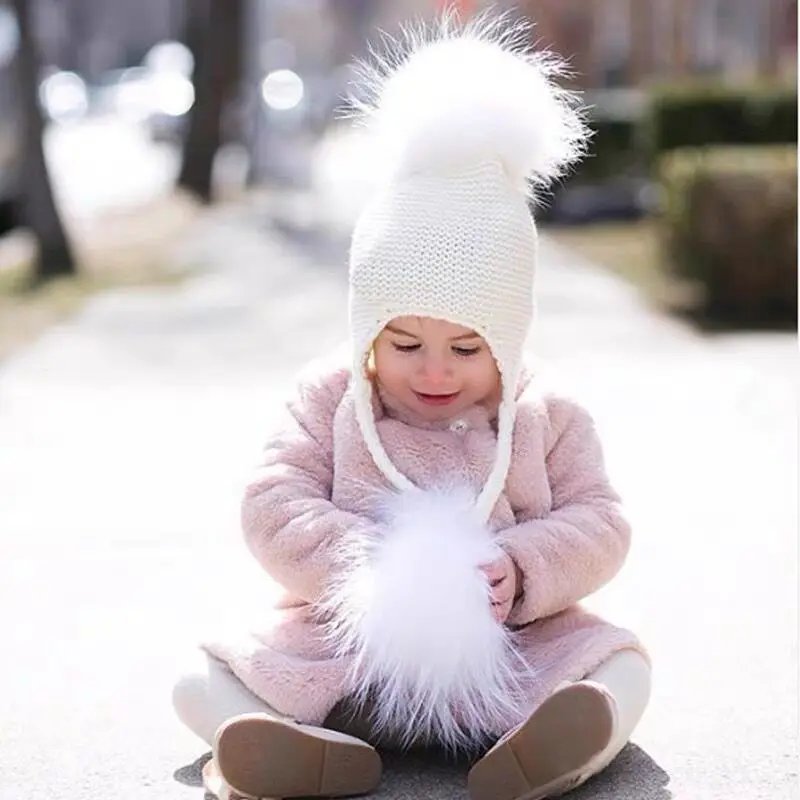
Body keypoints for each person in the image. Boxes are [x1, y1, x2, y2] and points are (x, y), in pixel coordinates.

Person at [172, 12, 651, 800]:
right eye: (403, 344)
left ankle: (557, 745)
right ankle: (300, 750)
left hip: (510, 655)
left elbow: (602, 519)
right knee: (197, 679)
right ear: (366, 327)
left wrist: (524, 569)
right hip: (345, 651)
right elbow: (272, 498)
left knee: (622, 663)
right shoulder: (329, 396)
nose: (434, 371)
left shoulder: (545, 411)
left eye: (467, 350)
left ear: (508, 334)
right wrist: (361, 567)